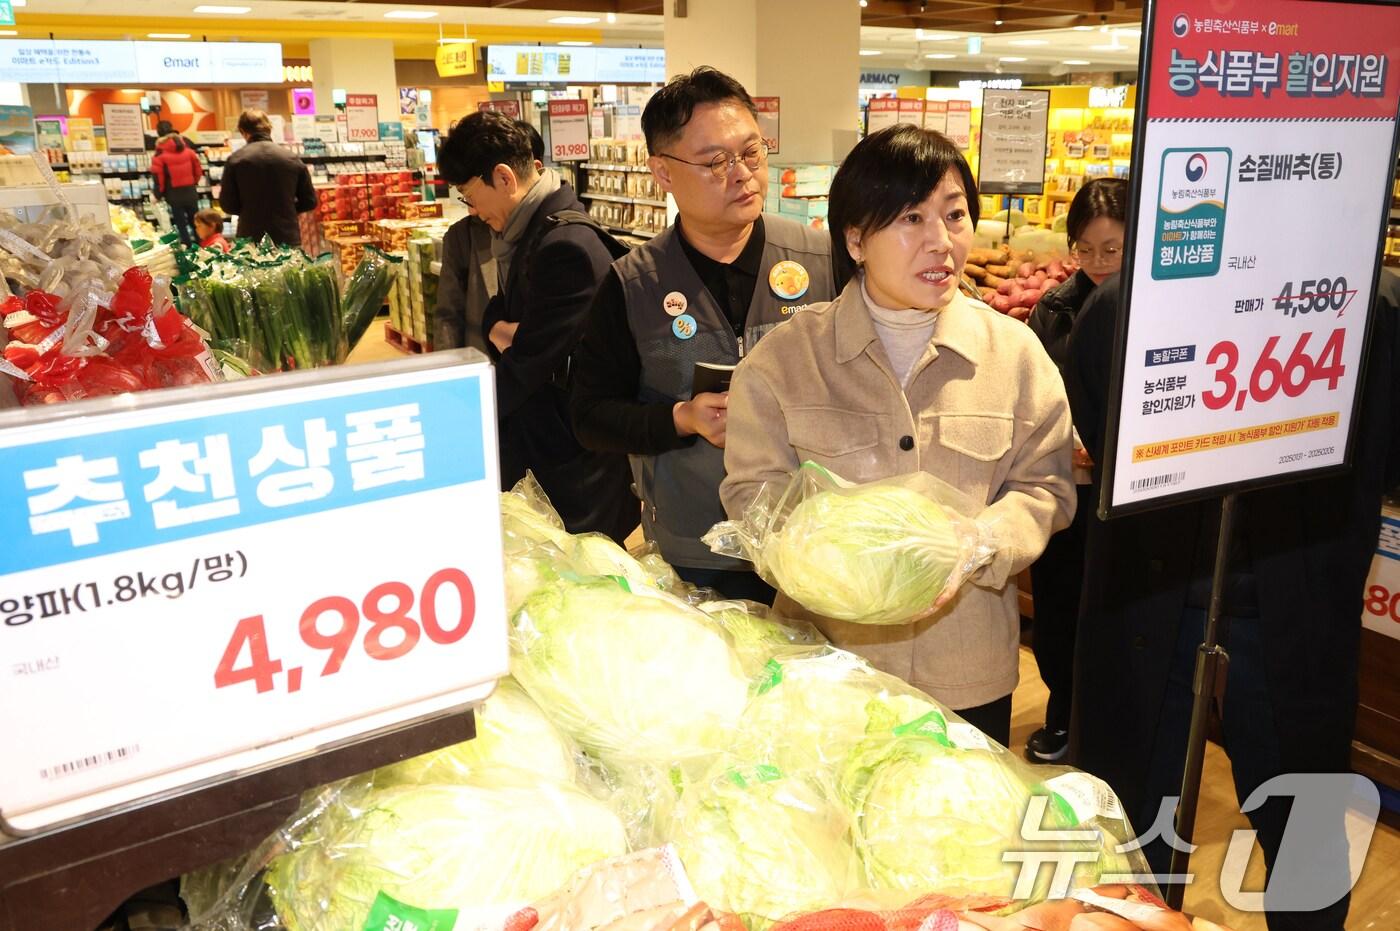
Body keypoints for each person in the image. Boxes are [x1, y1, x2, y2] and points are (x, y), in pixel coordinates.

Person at [1065, 269, 1400, 929]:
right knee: (1133, 832)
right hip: (1151, 605)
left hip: (1292, 613)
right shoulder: (1121, 302)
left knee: (1303, 827)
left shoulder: (1376, 306)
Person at [720, 125, 1075, 744]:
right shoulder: (782, 363)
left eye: (955, 215)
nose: (941, 242)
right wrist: (832, 562)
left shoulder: (1015, 356)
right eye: (911, 218)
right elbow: (753, 497)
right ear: (855, 238)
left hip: (967, 672)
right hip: (828, 671)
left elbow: (1046, 487)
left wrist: (980, 540)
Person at [570, 66, 837, 601]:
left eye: (752, 152)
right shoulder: (632, 284)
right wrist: (681, 419)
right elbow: (590, 415)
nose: (742, 174)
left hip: (815, 543)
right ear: (663, 173)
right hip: (695, 549)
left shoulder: (823, 259)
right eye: (716, 161)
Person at [438, 110, 636, 544]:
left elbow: (526, 364)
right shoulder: (530, 233)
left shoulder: (565, 247)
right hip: (551, 450)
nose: (471, 210)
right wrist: (503, 330)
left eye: (470, 196)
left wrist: (461, 422)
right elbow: (494, 313)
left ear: (504, 178)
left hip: (571, 464)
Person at [1022, 177, 1127, 763]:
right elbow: (1034, 395)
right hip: (1068, 486)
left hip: (1131, 494)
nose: (1096, 263)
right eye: (1084, 250)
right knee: (1060, 607)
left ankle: (1110, 725)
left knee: (1117, 612)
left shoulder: (1163, 307)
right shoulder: (1054, 309)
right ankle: (1063, 714)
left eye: (1111, 250)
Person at [218, 109, 316, 247]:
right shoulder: (291, 158)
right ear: (269, 129)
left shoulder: (235, 160)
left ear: (243, 131)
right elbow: (310, 201)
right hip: (286, 235)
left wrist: (249, 210)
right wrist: (288, 209)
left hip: (250, 236)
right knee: (290, 269)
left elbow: (227, 204)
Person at [151, 126, 204, 246]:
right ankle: (201, 245)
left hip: (173, 194)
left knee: (181, 224)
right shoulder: (190, 153)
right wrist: (193, 182)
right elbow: (198, 171)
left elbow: (159, 179)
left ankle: (188, 247)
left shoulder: (160, 157)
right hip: (190, 191)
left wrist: (158, 194)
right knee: (196, 221)